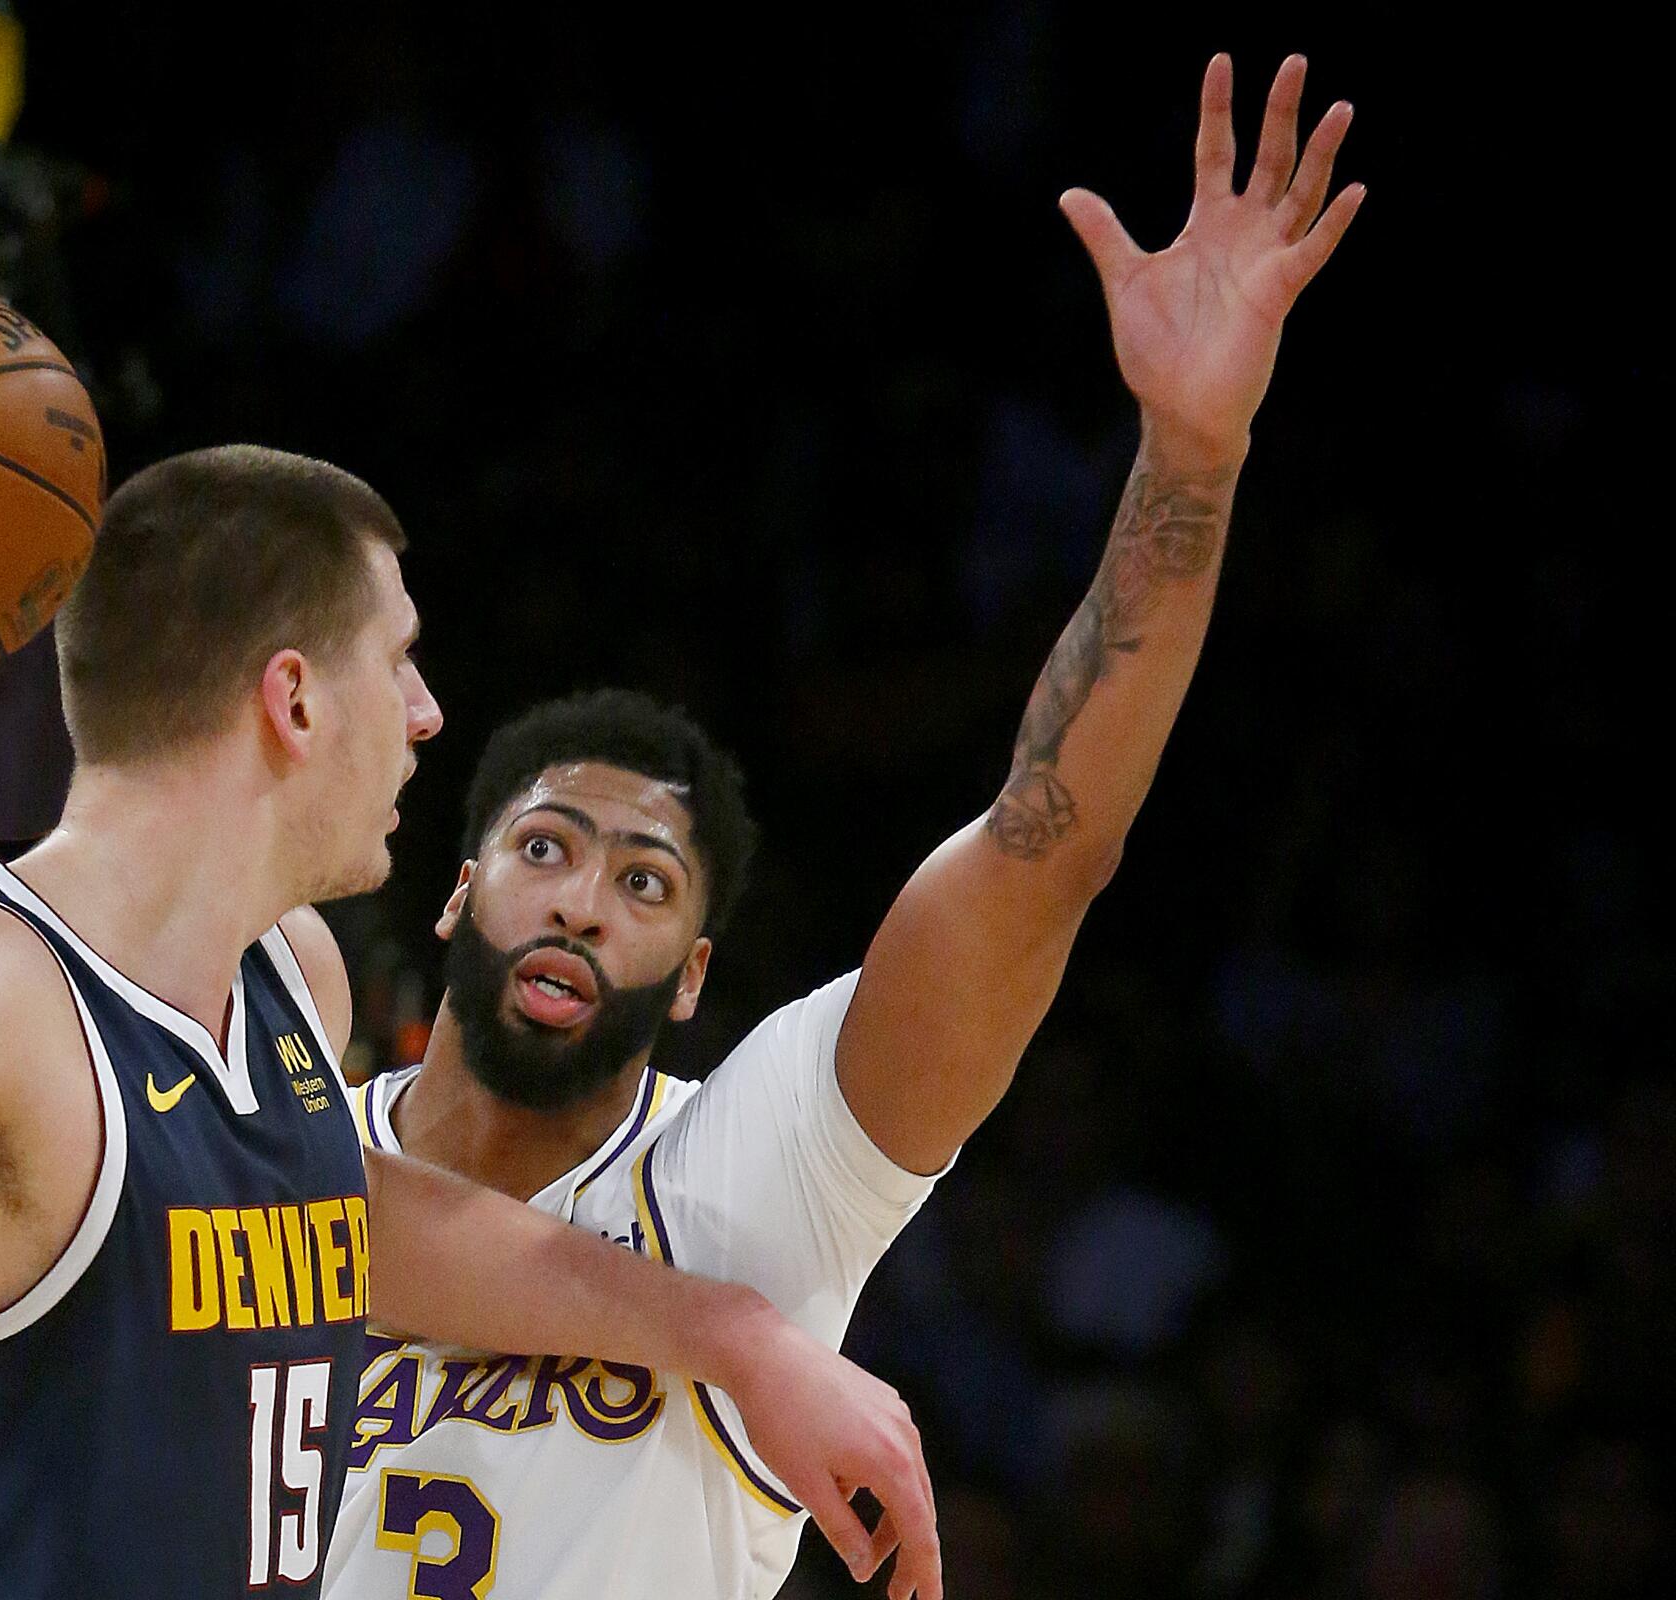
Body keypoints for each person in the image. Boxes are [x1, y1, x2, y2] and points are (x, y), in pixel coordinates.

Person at [326, 52, 1363, 1600]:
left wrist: (1190, 461)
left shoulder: (750, 1179)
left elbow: (1045, 844)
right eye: (545, 850)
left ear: (691, 981)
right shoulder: (269, 1151)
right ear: (458, 892)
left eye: (645, 880)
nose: (584, 902)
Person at [0, 445, 939, 1598]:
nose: (428, 712)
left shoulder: (286, 973)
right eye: (398, 659)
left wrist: (737, 1336)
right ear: (295, 699)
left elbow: (343, 1216)